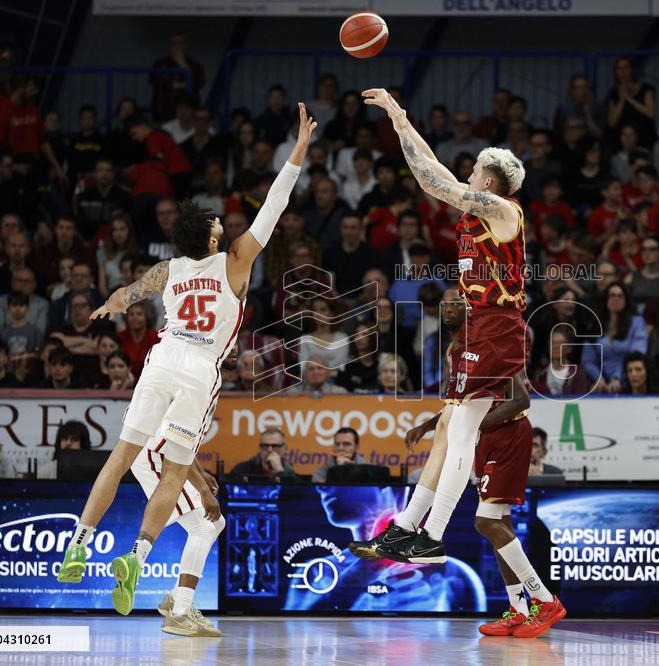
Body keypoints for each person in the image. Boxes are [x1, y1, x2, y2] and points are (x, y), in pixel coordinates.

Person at [54, 104, 315, 624]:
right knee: (175, 469)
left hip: (161, 356)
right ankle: (138, 555)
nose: (225, 220)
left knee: (119, 457)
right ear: (214, 238)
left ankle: (79, 541)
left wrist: (113, 305)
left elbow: (131, 291)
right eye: (220, 221)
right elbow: (275, 205)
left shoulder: (169, 269)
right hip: (199, 368)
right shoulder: (235, 260)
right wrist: (300, 147)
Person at [362, 88, 536, 577]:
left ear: (490, 181)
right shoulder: (475, 215)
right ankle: (409, 525)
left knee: (460, 434)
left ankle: (433, 538)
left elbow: (436, 181)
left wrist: (399, 118)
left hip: (498, 328)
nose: (466, 178)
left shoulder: (505, 212)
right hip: (480, 327)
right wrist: (400, 119)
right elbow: (432, 173)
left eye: (474, 174)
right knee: (446, 429)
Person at [350, 302, 564, 636]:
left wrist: (478, 426)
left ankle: (544, 597)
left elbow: (520, 400)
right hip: (484, 437)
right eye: (445, 304)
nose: (449, 308)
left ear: (471, 314)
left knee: (486, 522)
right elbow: (460, 406)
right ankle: (518, 608)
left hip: (508, 435)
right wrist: (429, 425)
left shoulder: (487, 345)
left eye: (456, 303)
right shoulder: (456, 350)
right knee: (499, 524)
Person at [128, 424, 224, 637]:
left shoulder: (206, 394)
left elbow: (184, 440)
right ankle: (180, 611)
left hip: (165, 452)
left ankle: (175, 598)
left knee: (216, 523)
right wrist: (203, 490)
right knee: (203, 526)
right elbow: (176, 444)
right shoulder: (200, 390)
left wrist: (200, 472)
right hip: (156, 455)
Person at [228, 428, 300, 483]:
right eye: (265, 445)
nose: (269, 449)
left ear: (284, 449)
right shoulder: (243, 470)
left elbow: (297, 496)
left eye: (275, 446)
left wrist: (280, 471)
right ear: (260, 447)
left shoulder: (290, 472)